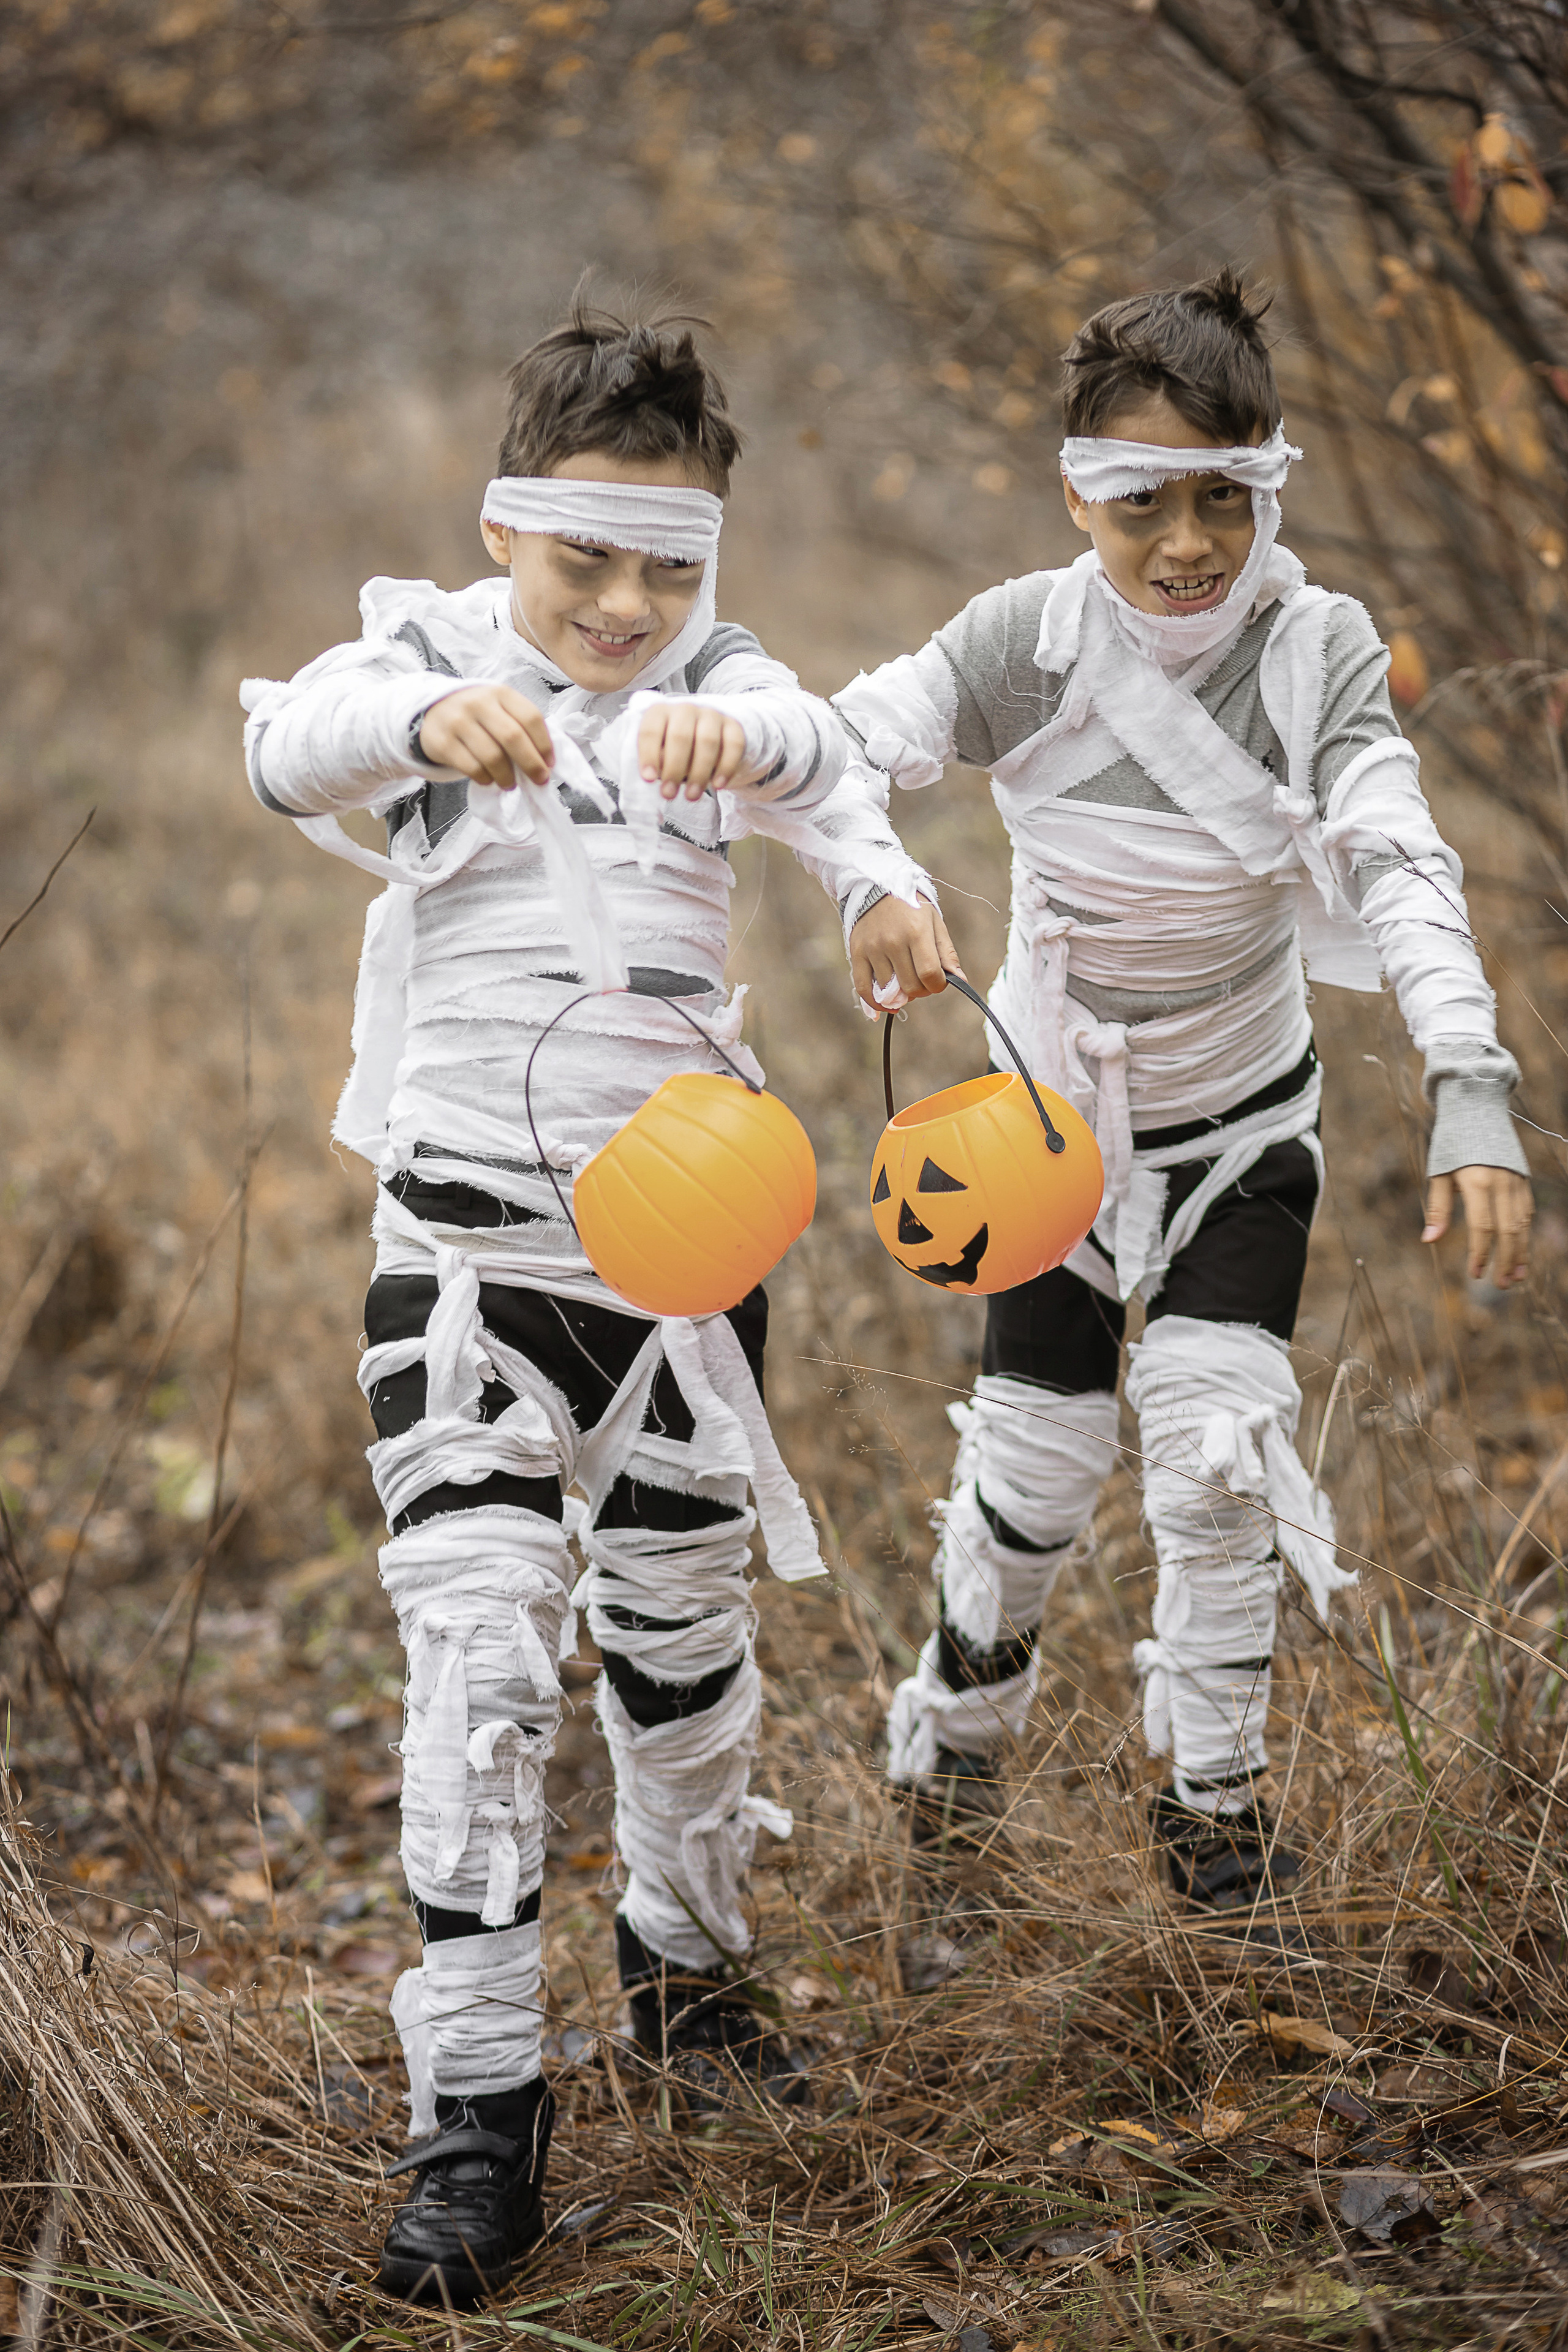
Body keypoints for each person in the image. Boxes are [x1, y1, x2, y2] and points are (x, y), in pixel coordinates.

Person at [239, 296, 936, 2304]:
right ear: (504, 534)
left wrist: (873, 882)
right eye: (583, 560)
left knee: (683, 1657)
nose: (625, 605)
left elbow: (838, 793)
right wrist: (413, 726)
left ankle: (690, 1996)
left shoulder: (730, 680)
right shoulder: (431, 660)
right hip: (462, 1265)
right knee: (474, 1676)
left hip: (686, 1283)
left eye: (668, 563)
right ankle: (475, 2117)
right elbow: (291, 743)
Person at [832, 268, 1532, 1934]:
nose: (1190, 540)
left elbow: (1395, 854)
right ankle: (955, 1761)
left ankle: (1216, 1820)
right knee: (1036, 1485)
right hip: (1051, 1138)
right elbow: (846, 743)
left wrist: (1472, 1077)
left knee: (1221, 1460)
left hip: (1241, 1128)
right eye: (1144, 499)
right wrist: (867, 868)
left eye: (1231, 495)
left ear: (1270, 485)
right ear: (1081, 494)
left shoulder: (1316, 650)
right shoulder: (1029, 643)